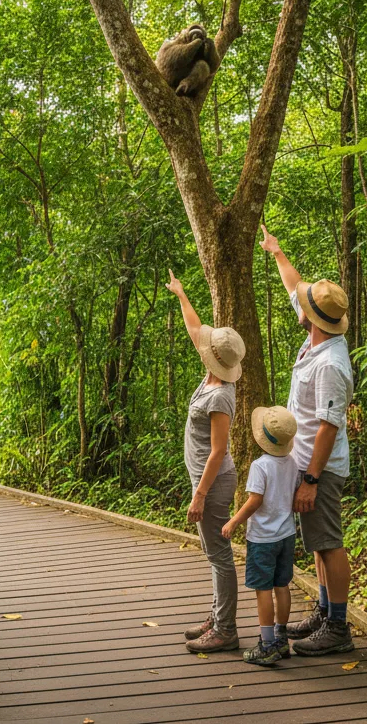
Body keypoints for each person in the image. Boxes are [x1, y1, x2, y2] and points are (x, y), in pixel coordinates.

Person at [259, 224, 355, 655]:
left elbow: (330, 424)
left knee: (329, 542)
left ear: (311, 318)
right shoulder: (315, 341)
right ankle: (322, 607)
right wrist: (276, 252)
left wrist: (311, 479)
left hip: (321, 468)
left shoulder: (332, 363)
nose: (297, 302)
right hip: (302, 464)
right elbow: (296, 286)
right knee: (315, 541)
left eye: (304, 305)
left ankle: (338, 627)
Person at [166, 268, 246, 654]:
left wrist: (199, 495)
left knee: (219, 555)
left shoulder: (221, 396)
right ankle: (218, 615)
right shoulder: (210, 377)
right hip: (207, 482)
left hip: (213, 486)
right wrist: (181, 294)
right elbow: (195, 329)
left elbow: (218, 450)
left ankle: (226, 628)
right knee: (214, 554)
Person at [222, 405, 301, 666]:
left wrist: (234, 521)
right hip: (286, 534)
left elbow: (255, 501)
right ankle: (281, 638)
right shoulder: (292, 463)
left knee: (263, 589)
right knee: (282, 585)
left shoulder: (260, 465)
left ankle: (267, 644)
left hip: (263, 538)